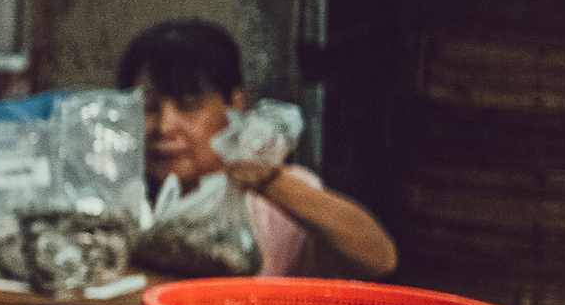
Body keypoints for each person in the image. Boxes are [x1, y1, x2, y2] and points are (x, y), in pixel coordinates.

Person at [118, 18, 397, 278]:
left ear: (235, 106)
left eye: (188, 104)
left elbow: (379, 259)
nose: (164, 127)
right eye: (147, 108)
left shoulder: (273, 201)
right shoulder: (124, 202)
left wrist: (274, 184)